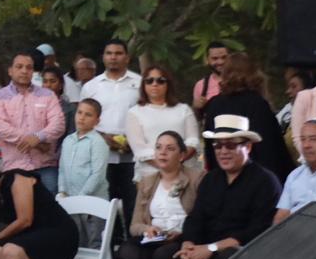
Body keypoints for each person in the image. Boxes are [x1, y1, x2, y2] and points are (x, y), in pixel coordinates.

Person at [152, 116, 281, 259]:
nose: (223, 151)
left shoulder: (265, 181)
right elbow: (196, 218)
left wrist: (210, 249)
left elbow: (257, 231)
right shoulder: (211, 178)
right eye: (218, 146)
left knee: (227, 258)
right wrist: (188, 246)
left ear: (248, 147)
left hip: (236, 252)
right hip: (202, 248)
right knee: (164, 256)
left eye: (230, 145)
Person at [111, 131, 204, 259]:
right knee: (128, 251)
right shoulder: (147, 181)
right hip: (156, 236)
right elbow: (134, 225)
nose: (162, 153)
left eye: (170, 149)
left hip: (183, 236)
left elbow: (201, 216)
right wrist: (147, 229)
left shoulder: (196, 178)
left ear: (182, 155)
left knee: (157, 255)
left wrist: (183, 233)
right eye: (159, 147)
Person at [202, 52, 294, 181]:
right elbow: (271, 147)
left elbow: (210, 147)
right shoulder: (258, 104)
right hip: (256, 179)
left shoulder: (213, 104)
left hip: (223, 177)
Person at [0, 51, 64, 194]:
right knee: (18, 208)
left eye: (29, 67)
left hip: (45, 166)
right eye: (19, 67)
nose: (24, 71)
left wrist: (38, 137)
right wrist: (35, 141)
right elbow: (0, 128)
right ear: (10, 71)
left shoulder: (47, 95)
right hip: (15, 167)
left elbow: (58, 124)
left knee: (49, 206)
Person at [80, 39, 141, 216]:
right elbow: (82, 121)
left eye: (118, 53)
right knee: (104, 207)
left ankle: (132, 234)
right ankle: (110, 234)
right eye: (109, 53)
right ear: (103, 57)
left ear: (127, 58)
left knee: (133, 205)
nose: (113, 57)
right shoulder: (90, 87)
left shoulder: (140, 83)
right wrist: (104, 138)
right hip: (101, 156)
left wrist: (132, 140)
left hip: (132, 155)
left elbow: (146, 116)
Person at [125, 64, 201, 182]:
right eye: (149, 81)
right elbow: (139, 148)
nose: (154, 84)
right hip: (150, 176)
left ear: (168, 84)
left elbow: (193, 140)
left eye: (160, 81)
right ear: (143, 85)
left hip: (184, 174)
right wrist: (166, 167)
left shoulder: (184, 109)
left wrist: (177, 163)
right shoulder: (134, 113)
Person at [57, 98, 111, 246]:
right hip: (71, 200)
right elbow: (62, 169)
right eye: (79, 112)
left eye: (88, 115)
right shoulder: (68, 140)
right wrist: (62, 191)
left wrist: (82, 197)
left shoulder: (98, 142)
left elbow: (97, 174)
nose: (82, 117)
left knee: (94, 241)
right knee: (76, 240)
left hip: (93, 201)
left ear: (97, 120)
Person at [191, 41, 229, 115]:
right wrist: (195, 107)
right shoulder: (201, 85)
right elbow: (196, 118)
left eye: (224, 57)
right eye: (215, 58)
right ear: (207, 60)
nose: (220, 62)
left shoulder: (239, 81)